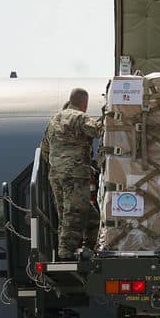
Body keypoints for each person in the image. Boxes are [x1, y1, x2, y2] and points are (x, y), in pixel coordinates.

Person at [40, 88, 102, 260]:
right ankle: (66, 252)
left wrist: (55, 167)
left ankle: (89, 248)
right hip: (74, 174)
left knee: (81, 216)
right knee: (74, 213)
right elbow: (98, 131)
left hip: (56, 175)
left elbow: (45, 148)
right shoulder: (79, 117)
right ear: (85, 103)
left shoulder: (53, 120)